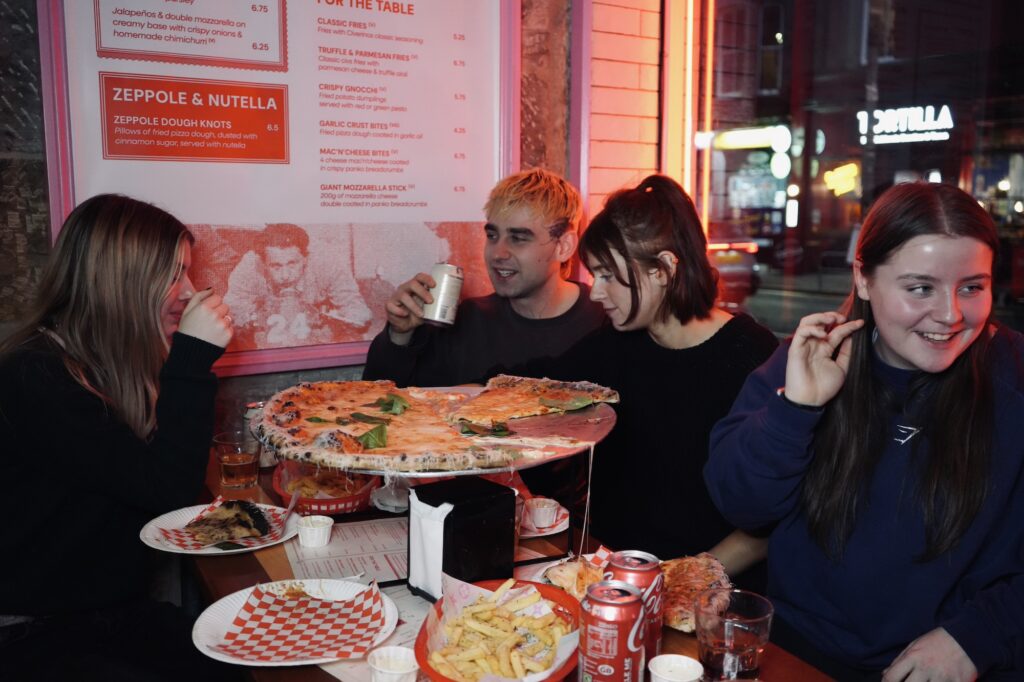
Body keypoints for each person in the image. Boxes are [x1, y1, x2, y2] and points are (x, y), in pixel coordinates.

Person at [705, 182, 1024, 680]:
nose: (950, 314)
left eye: (972, 287)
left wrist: (977, 636)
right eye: (920, 287)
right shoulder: (810, 356)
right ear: (865, 278)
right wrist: (798, 409)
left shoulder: (1014, 376)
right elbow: (741, 503)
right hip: (798, 654)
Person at [0, 194, 235, 680]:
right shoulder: (36, 375)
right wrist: (190, 359)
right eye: (174, 275)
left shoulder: (104, 362)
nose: (190, 292)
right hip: (36, 630)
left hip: (106, 612)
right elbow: (165, 490)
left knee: (242, 661)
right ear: (120, 282)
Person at [512, 175, 778, 578]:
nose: (596, 292)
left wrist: (686, 577)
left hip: (709, 589)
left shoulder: (752, 357)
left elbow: (774, 512)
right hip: (610, 571)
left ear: (664, 269)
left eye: (607, 275)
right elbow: (537, 384)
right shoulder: (618, 342)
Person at [362, 168, 607, 387]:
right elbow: (379, 407)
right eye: (492, 236)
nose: (498, 253)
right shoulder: (467, 322)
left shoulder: (606, 320)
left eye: (518, 238)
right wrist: (399, 337)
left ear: (563, 246)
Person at [224, 222, 371, 349]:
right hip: (267, 331)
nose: (285, 275)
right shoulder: (250, 267)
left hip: (319, 328)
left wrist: (331, 323)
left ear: (305, 258)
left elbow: (358, 312)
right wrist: (256, 320)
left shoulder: (327, 263)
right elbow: (233, 313)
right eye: (276, 266)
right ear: (264, 264)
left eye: (292, 264)